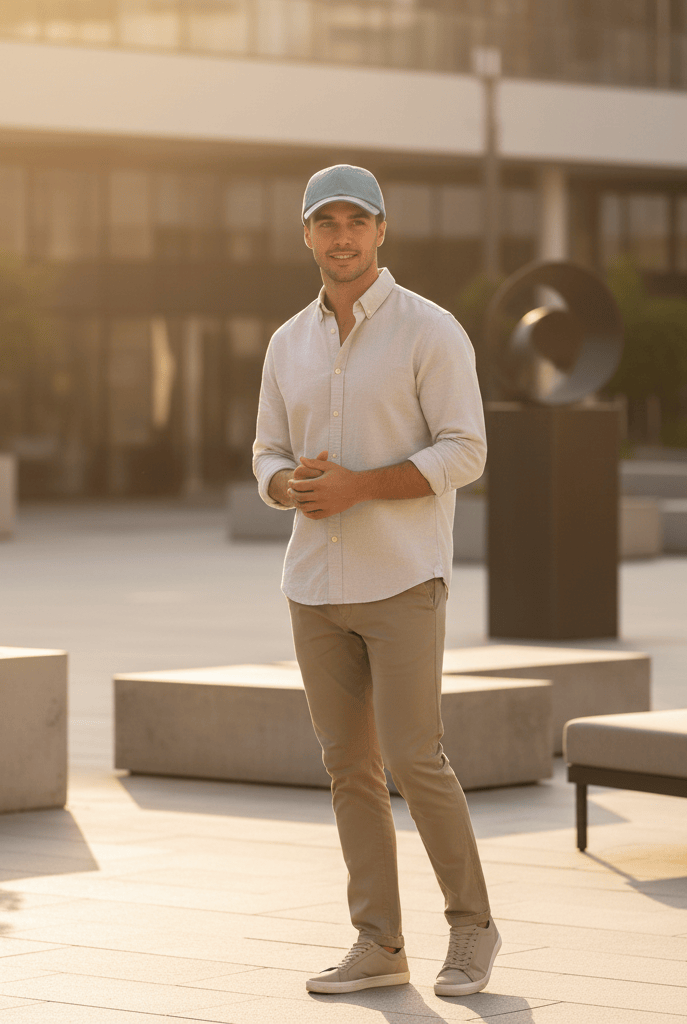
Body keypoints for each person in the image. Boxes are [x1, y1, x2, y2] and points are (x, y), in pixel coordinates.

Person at [252, 164, 501, 997]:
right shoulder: (289, 341)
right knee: (348, 770)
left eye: (358, 222)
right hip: (313, 585)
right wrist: (287, 485)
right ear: (308, 235)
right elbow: (265, 452)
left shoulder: (431, 331)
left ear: (382, 231)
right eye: (328, 223)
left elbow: (467, 450)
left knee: (413, 756)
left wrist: (361, 484)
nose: (343, 237)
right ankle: (378, 943)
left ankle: (472, 930)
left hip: (402, 579)